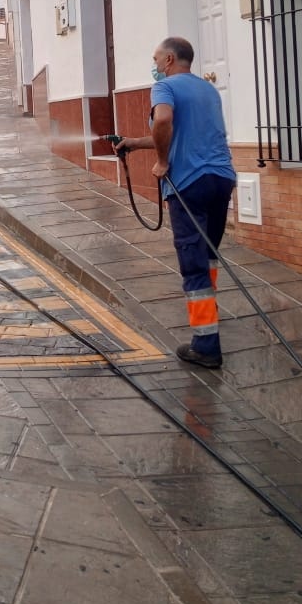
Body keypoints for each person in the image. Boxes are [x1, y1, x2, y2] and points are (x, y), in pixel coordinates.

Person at [116, 37, 236, 369]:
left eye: (156, 59)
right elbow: (182, 133)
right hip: (221, 179)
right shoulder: (207, 90)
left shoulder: (165, 87)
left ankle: (206, 345)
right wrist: (135, 144)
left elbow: (164, 121)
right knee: (207, 254)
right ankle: (210, 314)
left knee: (193, 264)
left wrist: (162, 161)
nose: (154, 65)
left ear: (169, 59)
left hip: (188, 185)